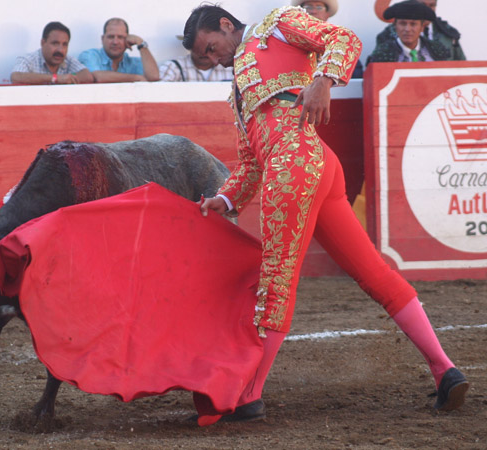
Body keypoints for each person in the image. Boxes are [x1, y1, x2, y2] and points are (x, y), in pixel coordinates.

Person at [184, 4, 468, 423]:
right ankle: (446, 370)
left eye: (211, 47)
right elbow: (249, 164)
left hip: (295, 165)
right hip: (312, 164)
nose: (213, 58)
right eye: (204, 57)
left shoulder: (277, 22)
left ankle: (247, 395)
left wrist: (323, 79)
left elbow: (345, 38)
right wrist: (223, 200)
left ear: (226, 25)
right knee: (374, 273)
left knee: (277, 278)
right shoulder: (238, 92)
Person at [291, 0, 363, 78]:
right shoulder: (290, 41)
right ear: (300, 13)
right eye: (308, 7)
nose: (313, 11)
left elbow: (355, 79)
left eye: (319, 7)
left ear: (327, 14)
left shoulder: (341, 43)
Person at [376, 0, 465, 61]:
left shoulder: (448, 34)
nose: (407, 29)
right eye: (423, 5)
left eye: (432, 5)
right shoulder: (387, 36)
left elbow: (461, 66)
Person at [10, 22, 94, 85]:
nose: (60, 50)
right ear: (43, 43)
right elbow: (16, 77)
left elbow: (87, 76)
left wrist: (70, 77)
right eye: (55, 43)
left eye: (65, 44)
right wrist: (55, 78)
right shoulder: (28, 59)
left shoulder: (68, 60)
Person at [78, 18, 159, 83]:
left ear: (128, 39)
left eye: (120, 37)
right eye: (111, 37)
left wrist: (140, 43)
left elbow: (154, 77)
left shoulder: (135, 63)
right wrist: (136, 78)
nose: (115, 42)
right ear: (102, 39)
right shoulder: (90, 55)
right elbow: (97, 77)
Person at [159, 36, 233, 82]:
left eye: (210, 47)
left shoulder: (231, 69)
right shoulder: (173, 67)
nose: (204, 52)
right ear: (190, 46)